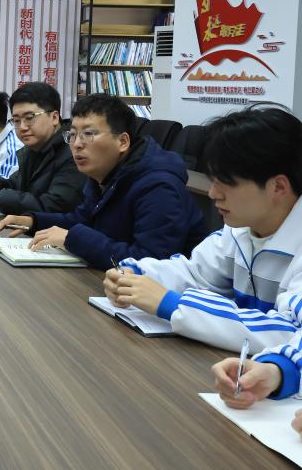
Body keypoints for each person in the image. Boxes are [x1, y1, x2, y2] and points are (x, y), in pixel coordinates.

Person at [104, 107, 302, 352]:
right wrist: (136, 274)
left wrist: (172, 304)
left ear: (278, 187)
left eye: (225, 183)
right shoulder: (240, 230)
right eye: (212, 181)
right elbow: (196, 274)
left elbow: (289, 331)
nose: (212, 193)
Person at [0, 93, 209, 270]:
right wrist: (33, 221)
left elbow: (151, 261)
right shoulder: (105, 172)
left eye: (88, 134)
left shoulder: (158, 186)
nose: (77, 144)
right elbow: (81, 219)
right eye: (73, 135)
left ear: (123, 142)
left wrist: (72, 239)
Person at [0, 82, 85, 214]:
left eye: (29, 118)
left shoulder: (74, 151)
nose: (22, 127)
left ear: (54, 118)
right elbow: (18, 183)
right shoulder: (34, 147)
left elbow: (54, 206)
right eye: (16, 120)